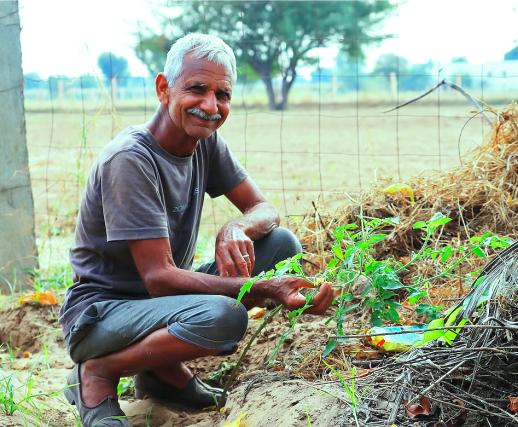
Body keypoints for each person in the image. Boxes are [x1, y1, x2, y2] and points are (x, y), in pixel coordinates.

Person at [58, 33, 334, 427]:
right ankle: (99, 372)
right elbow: (159, 280)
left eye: (222, 94)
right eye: (197, 89)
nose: (210, 106)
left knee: (279, 245)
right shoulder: (130, 159)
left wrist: (236, 226)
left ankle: (158, 371)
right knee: (226, 315)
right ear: (163, 89)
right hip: (102, 316)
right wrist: (263, 289)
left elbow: (265, 210)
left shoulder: (204, 141)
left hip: (159, 306)